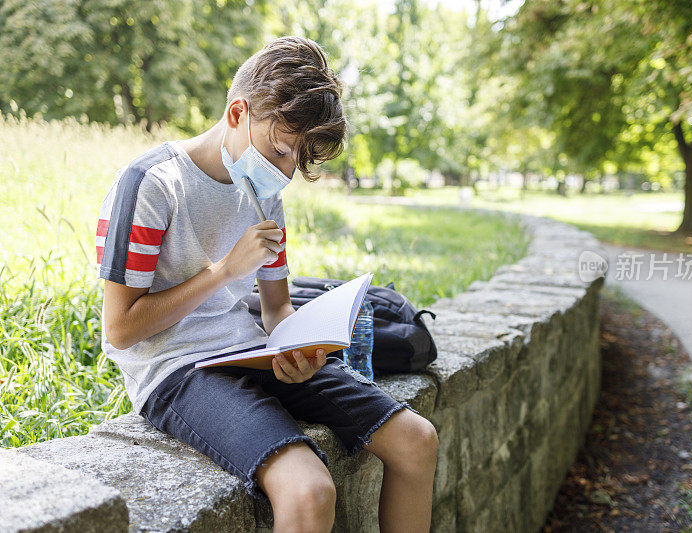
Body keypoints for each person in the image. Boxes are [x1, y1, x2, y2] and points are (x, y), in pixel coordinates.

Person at [95, 36, 438, 532]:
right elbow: (121, 329)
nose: (284, 173)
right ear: (237, 113)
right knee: (310, 489)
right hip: (177, 372)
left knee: (417, 439)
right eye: (279, 150)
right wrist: (225, 272)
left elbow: (277, 310)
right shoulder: (152, 185)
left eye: (295, 162)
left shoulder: (264, 195)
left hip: (250, 352)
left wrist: (300, 349)